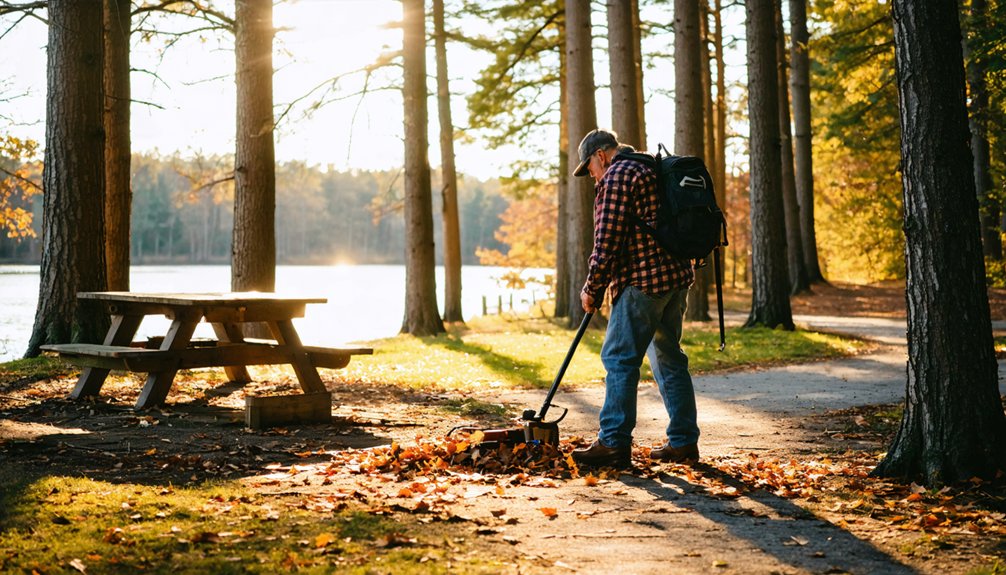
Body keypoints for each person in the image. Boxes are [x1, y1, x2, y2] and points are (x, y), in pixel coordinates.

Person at [569, 128, 700, 468]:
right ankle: (684, 442)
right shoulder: (649, 166)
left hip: (644, 282)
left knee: (619, 358)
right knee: (669, 358)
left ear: (600, 155)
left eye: (591, 169)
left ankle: (613, 442)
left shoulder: (618, 175)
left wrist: (592, 287)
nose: (593, 178)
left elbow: (607, 241)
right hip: (676, 278)